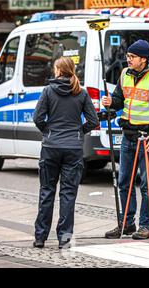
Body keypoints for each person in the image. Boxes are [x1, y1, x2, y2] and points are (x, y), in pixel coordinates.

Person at [102, 39, 149, 240]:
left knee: (146, 184)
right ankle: (126, 223)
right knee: (124, 181)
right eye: (128, 56)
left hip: (146, 139)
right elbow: (118, 100)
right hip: (128, 137)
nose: (128, 59)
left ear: (143, 59)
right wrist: (111, 103)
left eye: (132, 57)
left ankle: (146, 225)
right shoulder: (124, 74)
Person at [33, 56, 99, 249]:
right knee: (68, 194)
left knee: (47, 192)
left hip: (51, 147)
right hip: (73, 148)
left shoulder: (48, 91)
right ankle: (64, 237)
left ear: (58, 70)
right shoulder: (81, 93)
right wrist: (79, 132)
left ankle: (40, 237)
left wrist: (48, 131)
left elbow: (38, 118)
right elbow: (93, 121)